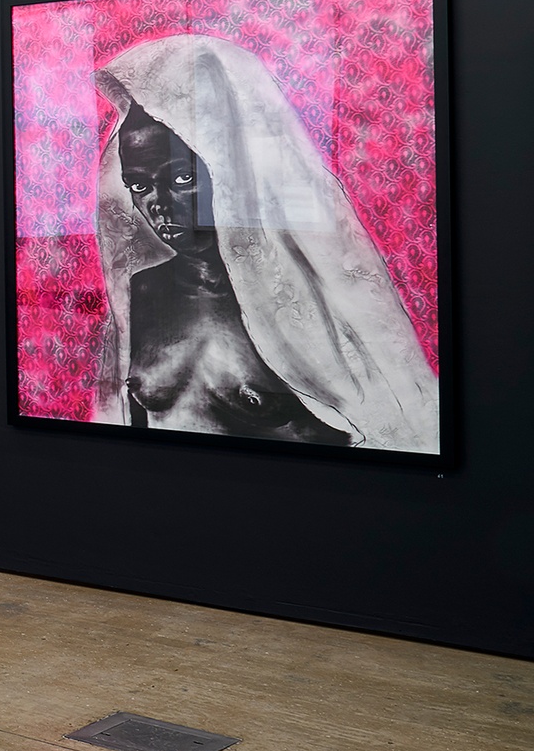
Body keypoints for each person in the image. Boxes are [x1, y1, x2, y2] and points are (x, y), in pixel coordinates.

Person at [93, 35, 437, 451]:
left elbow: (396, 429)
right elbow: (120, 423)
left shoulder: (305, 297)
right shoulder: (141, 292)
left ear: (231, 170)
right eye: (139, 185)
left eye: (182, 178)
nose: (158, 205)